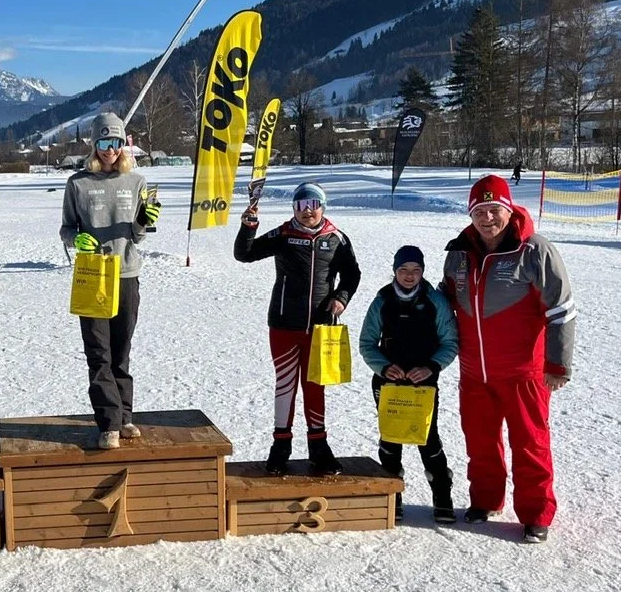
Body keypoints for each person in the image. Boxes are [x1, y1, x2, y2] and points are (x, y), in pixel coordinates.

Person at [439, 174, 575, 543]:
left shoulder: (534, 251)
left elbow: (561, 310)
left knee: (530, 443)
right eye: (479, 211)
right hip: (475, 373)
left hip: (523, 373)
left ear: (509, 209)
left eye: (494, 210)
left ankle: (536, 514)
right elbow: (444, 301)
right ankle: (486, 500)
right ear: (471, 214)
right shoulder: (459, 254)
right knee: (480, 441)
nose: (487, 218)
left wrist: (557, 365)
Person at [235, 182, 361, 475]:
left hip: (320, 328)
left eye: (313, 205)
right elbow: (245, 253)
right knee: (285, 385)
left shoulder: (336, 238)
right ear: (294, 208)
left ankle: (319, 447)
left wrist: (341, 298)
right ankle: (281, 447)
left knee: (315, 386)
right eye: (302, 205)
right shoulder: (284, 234)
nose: (308, 211)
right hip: (284, 325)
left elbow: (352, 274)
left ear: (322, 207)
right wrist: (249, 226)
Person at [60, 111, 160, 449]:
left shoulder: (136, 182)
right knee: (98, 352)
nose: (110, 150)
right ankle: (108, 423)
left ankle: (124, 416)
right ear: (94, 144)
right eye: (103, 142)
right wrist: (76, 239)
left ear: (123, 144)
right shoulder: (78, 184)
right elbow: (67, 228)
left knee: (121, 351)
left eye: (116, 142)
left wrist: (144, 221)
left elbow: (138, 235)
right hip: (92, 275)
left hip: (126, 274)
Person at [358, 245, 459, 523]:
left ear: (423, 272)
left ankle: (442, 494)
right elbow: (367, 343)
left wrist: (430, 367)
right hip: (388, 382)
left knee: (427, 437)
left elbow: (450, 342)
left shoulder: (435, 301)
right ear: (395, 271)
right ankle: (393, 496)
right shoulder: (382, 300)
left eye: (416, 270)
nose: (409, 275)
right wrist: (384, 367)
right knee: (391, 438)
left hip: (423, 382)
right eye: (403, 269)